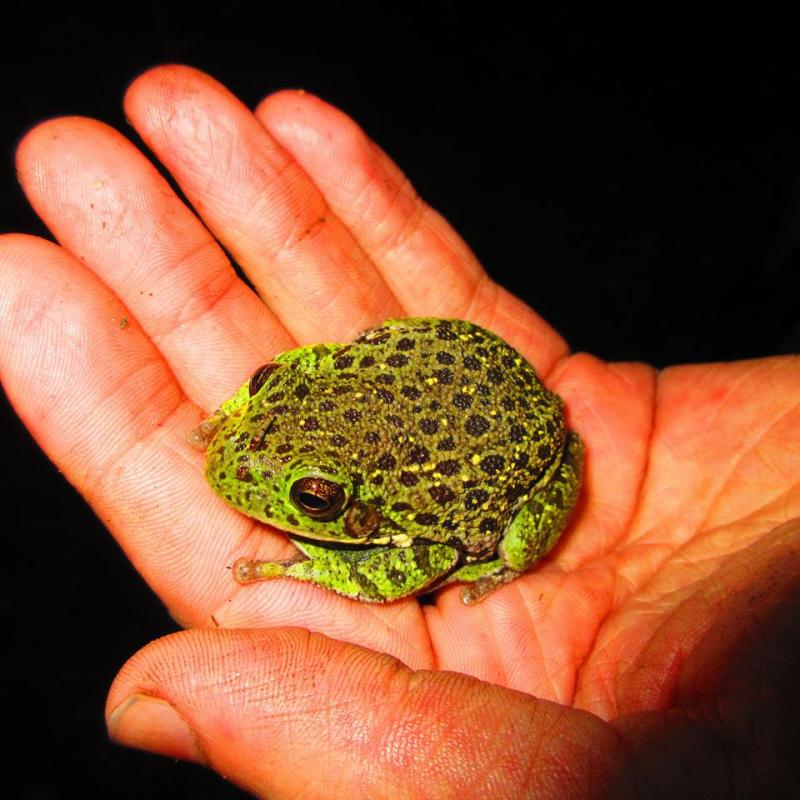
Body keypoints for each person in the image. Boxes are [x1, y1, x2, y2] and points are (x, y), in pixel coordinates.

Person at [1, 65, 797, 799]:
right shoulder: (319, 378)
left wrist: (323, 570)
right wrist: (256, 412)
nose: (257, 408)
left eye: (313, 499)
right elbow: (315, 360)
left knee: (510, 545)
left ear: (355, 513)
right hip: (460, 377)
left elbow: (423, 560)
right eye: (267, 390)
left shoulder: (392, 523)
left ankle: (469, 535)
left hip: (516, 456)